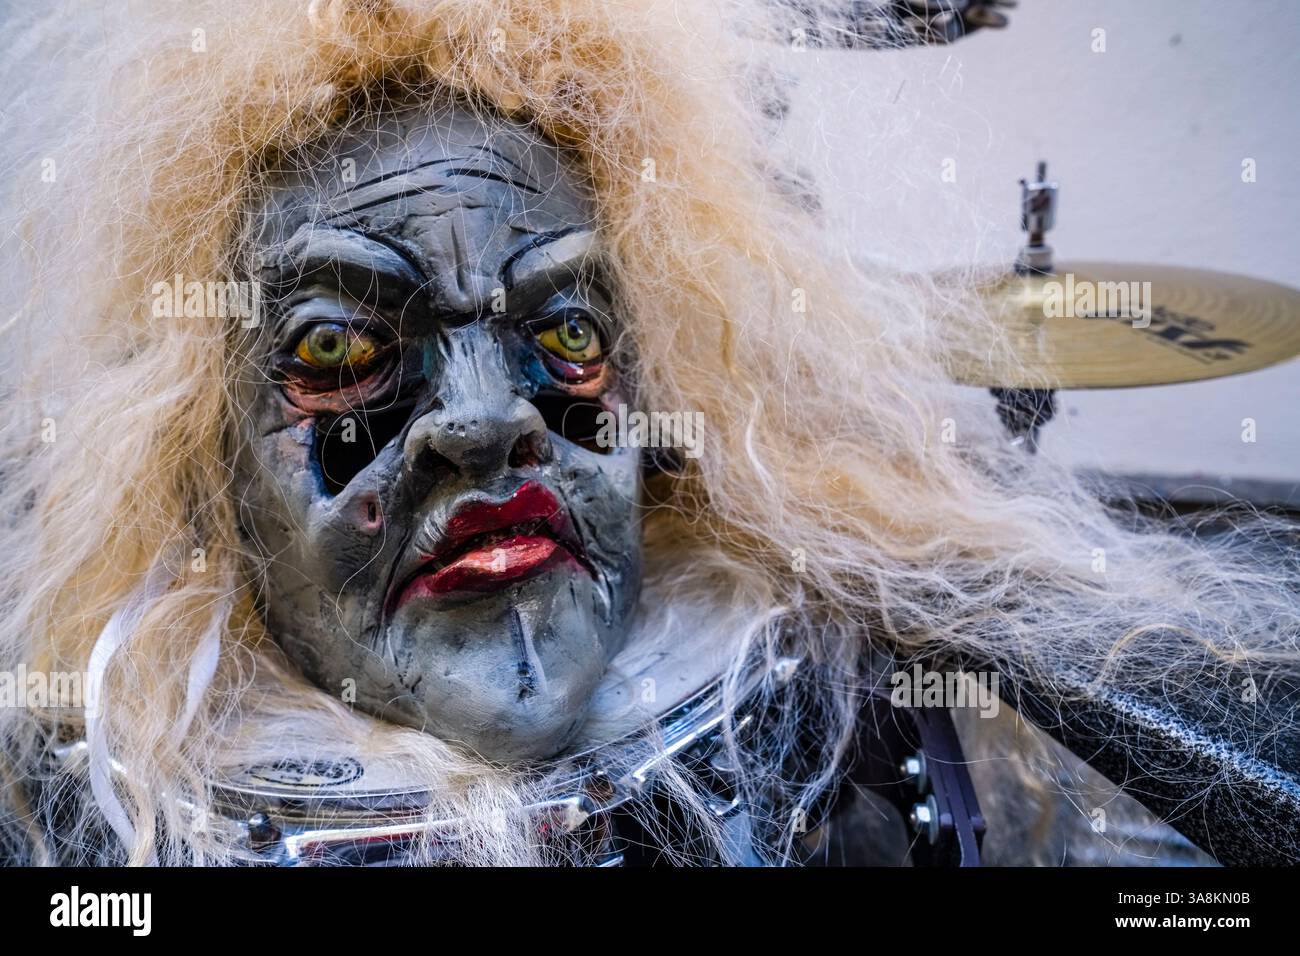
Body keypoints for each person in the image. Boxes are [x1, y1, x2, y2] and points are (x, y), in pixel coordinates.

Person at [0, 0, 1292, 866]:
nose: (491, 421)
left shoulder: (830, 683)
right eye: (339, 349)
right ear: (199, 469)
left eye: (566, 332)